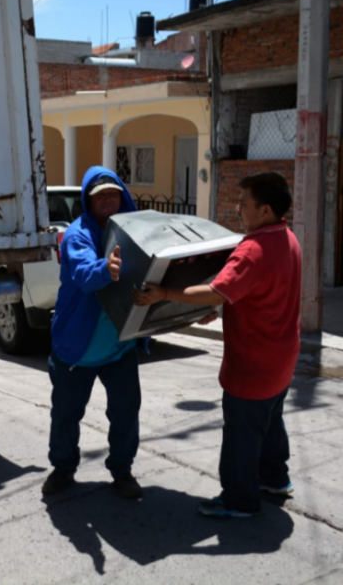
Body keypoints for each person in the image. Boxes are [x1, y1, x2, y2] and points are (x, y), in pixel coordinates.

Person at [134, 171, 301, 518]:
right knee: (270, 424)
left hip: (252, 365)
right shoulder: (287, 238)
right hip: (281, 360)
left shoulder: (254, 249)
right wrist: (221, 306)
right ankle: (275, 479)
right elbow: (252, 292)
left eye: (244, 204)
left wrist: (164, 294)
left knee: (242, 434)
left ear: (265, 210)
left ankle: (240, 500)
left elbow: (216, 289)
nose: (238, 209)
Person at [42, 165, 145, 499]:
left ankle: (122, 470)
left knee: (127, 410)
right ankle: (62, 468)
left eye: (113, 194)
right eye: (100, 196)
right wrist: (108, 267)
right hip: (78, 347)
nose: (108, 200)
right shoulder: (77, 235)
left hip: (119, 345)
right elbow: (86, 275)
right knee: (67, 414)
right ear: (88, 201)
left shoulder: (136, 231)